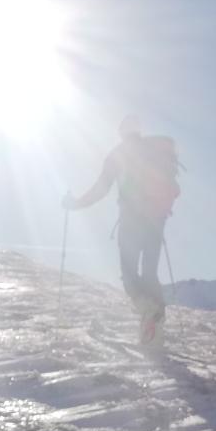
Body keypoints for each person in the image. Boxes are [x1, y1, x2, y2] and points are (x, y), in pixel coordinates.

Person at [65, 115, 180, 342]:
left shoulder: (117, 155)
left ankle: (148, 311)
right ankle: (156, 322)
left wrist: (76, 203)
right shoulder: (155, 151)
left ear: (121, 133)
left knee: (129, 274)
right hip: (156, 221)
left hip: (131, 220)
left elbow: (100, 189)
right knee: (149, 273)